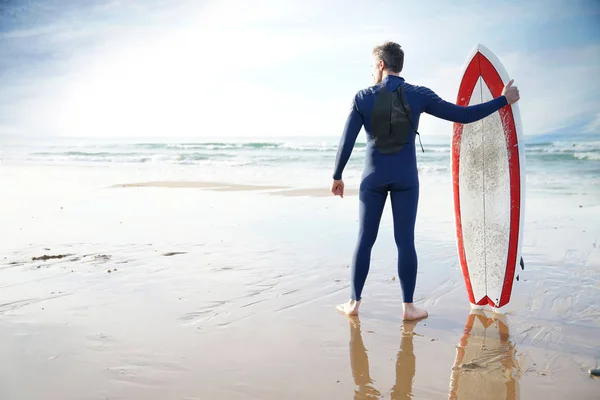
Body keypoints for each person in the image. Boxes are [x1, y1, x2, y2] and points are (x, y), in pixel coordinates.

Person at [332, 41, 520, 320]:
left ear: (381, 64)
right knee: (405, 241)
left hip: (373, 178)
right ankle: (408, 308)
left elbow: (346, 141)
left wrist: (337, 176)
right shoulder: (419, 94)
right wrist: (503, 99)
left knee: (365, 239)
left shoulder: (362, 97)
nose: (372, 71)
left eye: (373, 65)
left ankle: (354, 305)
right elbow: (463, 116)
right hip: (406, 178)